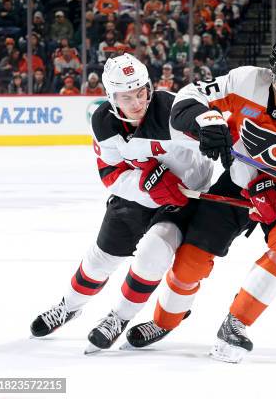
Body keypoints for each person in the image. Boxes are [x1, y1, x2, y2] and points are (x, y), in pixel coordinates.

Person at [125, 38, 276, 363]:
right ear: (273, 75)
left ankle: (236, 323)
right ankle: (164, 321)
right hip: (241, 178)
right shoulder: (244, 81)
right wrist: (205, 122)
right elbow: (189, 96)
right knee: (193, 255)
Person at [29, 53, 213, 353]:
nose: (137, 103)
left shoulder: (173, 111)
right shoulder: (103, 122)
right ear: (111, 97)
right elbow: (110, 174)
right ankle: (69, 306)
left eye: (141, 93)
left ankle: (119, 317)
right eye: (126, 97)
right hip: (138, 196)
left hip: (184, 200)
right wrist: (147, 187)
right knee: (100, 258)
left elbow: (217, 144)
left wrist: (191, 183)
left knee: (153, 254)